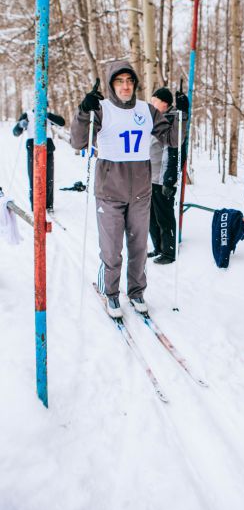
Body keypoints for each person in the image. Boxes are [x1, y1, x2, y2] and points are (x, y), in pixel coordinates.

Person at [70, 61, 188, 318]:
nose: (125, 86)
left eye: (129, 81)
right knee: (111, 250)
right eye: (119, 81)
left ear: (134, 84)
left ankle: (136, 292)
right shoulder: (102, 109)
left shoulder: (147, 110)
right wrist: (83, 111)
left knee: (138, 249)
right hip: (109, 192)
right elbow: (78, 141)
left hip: (140, 192)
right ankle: (111, 293)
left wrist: (182, 115)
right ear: (112, 84)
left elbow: (172, 139)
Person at [148, 87, 188, 265]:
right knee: (151, 216)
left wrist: (170, 179)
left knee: (164, 216)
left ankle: (169, 251)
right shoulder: (153, 119)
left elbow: (176, 151)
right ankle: (158, 247)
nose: (152, 103)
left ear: (164, 103)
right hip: (149, 176)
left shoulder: (174, 121)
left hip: (163, 177)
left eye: (155, 100)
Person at [13, 108, 65, 212]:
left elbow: (62, 122)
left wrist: (49, 115)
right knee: (33, 177)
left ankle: (49, 205)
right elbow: (15, 132)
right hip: (32, 147)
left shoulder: (47, 114)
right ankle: (35, 205)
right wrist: (20, 125)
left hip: (48, 146)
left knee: (49, 177)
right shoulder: (27, 115)